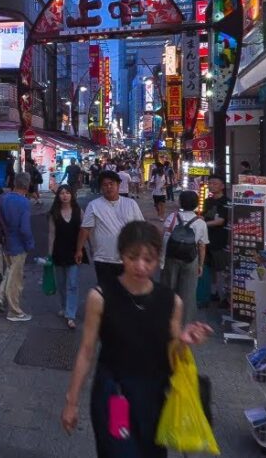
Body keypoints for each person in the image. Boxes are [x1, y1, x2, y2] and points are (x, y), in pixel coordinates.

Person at [61, 221, 213, 457]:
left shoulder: (171, 301)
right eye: (133, 257)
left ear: (158, 260)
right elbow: (86, 351)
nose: (140, 266)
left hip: (154, 396)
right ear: (121, 255)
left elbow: (174, 355)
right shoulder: (100, 297)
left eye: (149, 259)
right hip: (114, 394)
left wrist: (185, 341)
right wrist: (71, 401)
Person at [79, 171, 146, 286]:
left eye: (111, 184)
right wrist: (79, 249)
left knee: (127, 293)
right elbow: (85, 229)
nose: (109, 187)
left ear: (118, 185)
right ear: (101, 187)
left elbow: (141, 227)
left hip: (127, 259)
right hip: (103, 258)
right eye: (105, 185)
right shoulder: (93, 205)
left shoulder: (131, 204)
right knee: (107, 294)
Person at [161, 190, 208, 326]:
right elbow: (202, 246)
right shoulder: (200, 223)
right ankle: (185, 325)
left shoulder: (172, 217)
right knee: (188, 294)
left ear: (180, 202)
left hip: (171, 257)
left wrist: (162, 258)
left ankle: (165, 321)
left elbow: (165, 237)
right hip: (191, 258)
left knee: (168, 289)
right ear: (196, 205)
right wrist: (200, 264)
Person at [0, 172, 35, 322]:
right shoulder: (24, 202)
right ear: (27, 185)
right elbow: (25, 229)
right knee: (16, 279)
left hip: (5, 241)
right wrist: (30, 244)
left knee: (10, 273)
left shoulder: (3, 198)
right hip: (18, 243)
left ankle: (0, 297)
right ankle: (15, 311)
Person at [49, 184, 83, 330]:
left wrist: (88, 248)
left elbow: (84, 232)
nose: (64, 195)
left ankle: (71, 315)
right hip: (58, 251)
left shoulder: (78, 211)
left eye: (67, 193)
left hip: (74, 251)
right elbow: (51, 234)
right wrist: (49, 254)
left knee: (72, 284)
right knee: (61, 283)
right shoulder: (54, 213)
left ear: (71, 195)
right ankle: (64, 306)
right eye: (62, 193)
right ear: (58, 196)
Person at [202, 173, 231, 306]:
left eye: (215, 183)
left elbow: (220, 221)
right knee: (211, 268)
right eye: (210, 183)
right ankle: (214, 292)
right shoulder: (208, 201)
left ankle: (223, 296)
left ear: (222, 186)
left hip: (220, 240)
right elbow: (203, 217)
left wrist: (202, 224)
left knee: (220, 269)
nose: (211, 186)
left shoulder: (226, 202)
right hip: (207, 239)